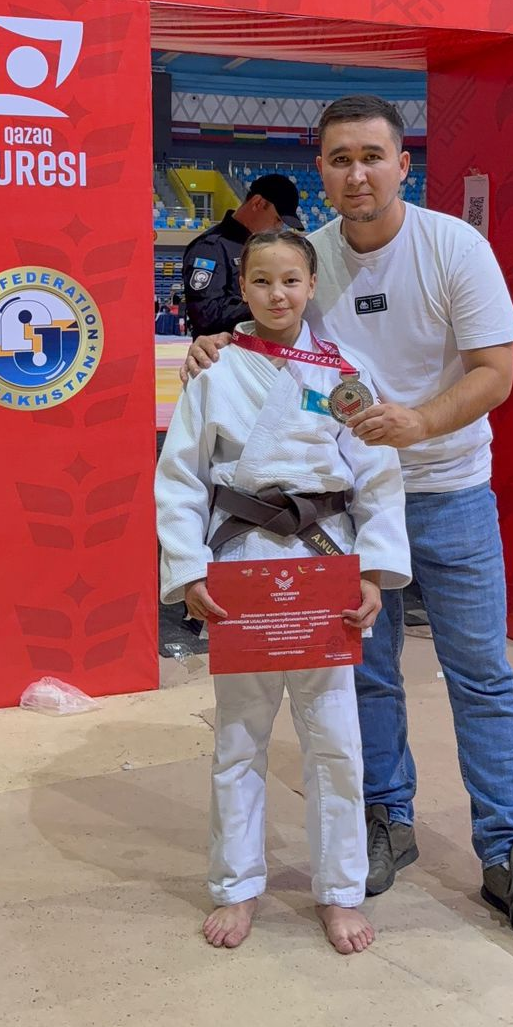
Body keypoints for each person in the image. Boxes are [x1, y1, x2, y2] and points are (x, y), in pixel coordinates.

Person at [184, 95, 513, 949]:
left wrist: (419, 423)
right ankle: (385, 820)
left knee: (481, 675)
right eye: (339, 159)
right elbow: (274, 328)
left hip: (451, 489)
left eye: (371, 156)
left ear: (403, 164)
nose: (356, 174)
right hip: (346, 509)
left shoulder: (453, 247)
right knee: (369, 677)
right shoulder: (310, 255)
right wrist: (218, 345)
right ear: (320, 171)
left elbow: (495, 371)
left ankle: (508, 850)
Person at [156, 228, 410, 955]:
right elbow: (180, 478)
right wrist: (190, 570)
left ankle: (340, 891)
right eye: (262, 282)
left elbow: (378, 477)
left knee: (336, 739)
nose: (277, 295)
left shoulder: (345, 373)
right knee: (239, 736)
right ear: (244, 287)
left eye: (291, 281)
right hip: (243, 563)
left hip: (323, 559)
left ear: (311, 285)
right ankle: (236, 884)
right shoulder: (216, 369)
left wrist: (372, 570)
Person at [182, 174, 303, 339]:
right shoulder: (210, 248)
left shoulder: (264, 249)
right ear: (258, 203)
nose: (279, 227)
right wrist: (265, 305)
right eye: (277, 219)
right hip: (222, 350)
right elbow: (205, 313)